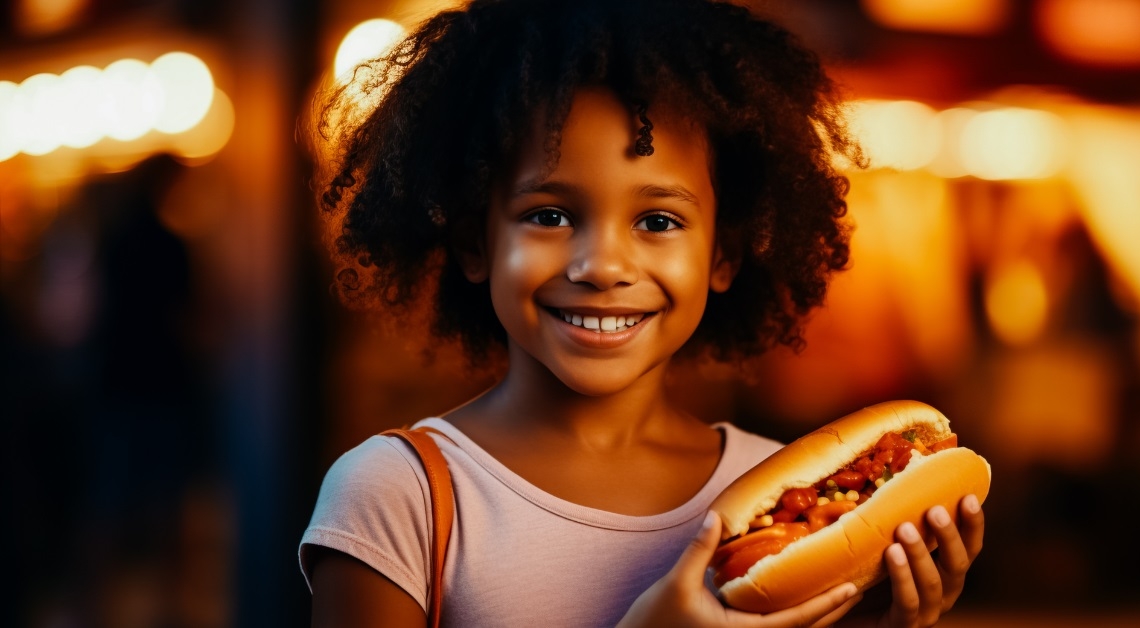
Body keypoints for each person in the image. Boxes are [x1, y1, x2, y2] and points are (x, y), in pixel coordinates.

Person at [299, 0, 985, 626]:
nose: (602, 265)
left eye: (657, 220)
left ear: (725, 256)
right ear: (476, 244)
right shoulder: (395, 495)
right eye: (550, 215)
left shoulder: (782, 495)